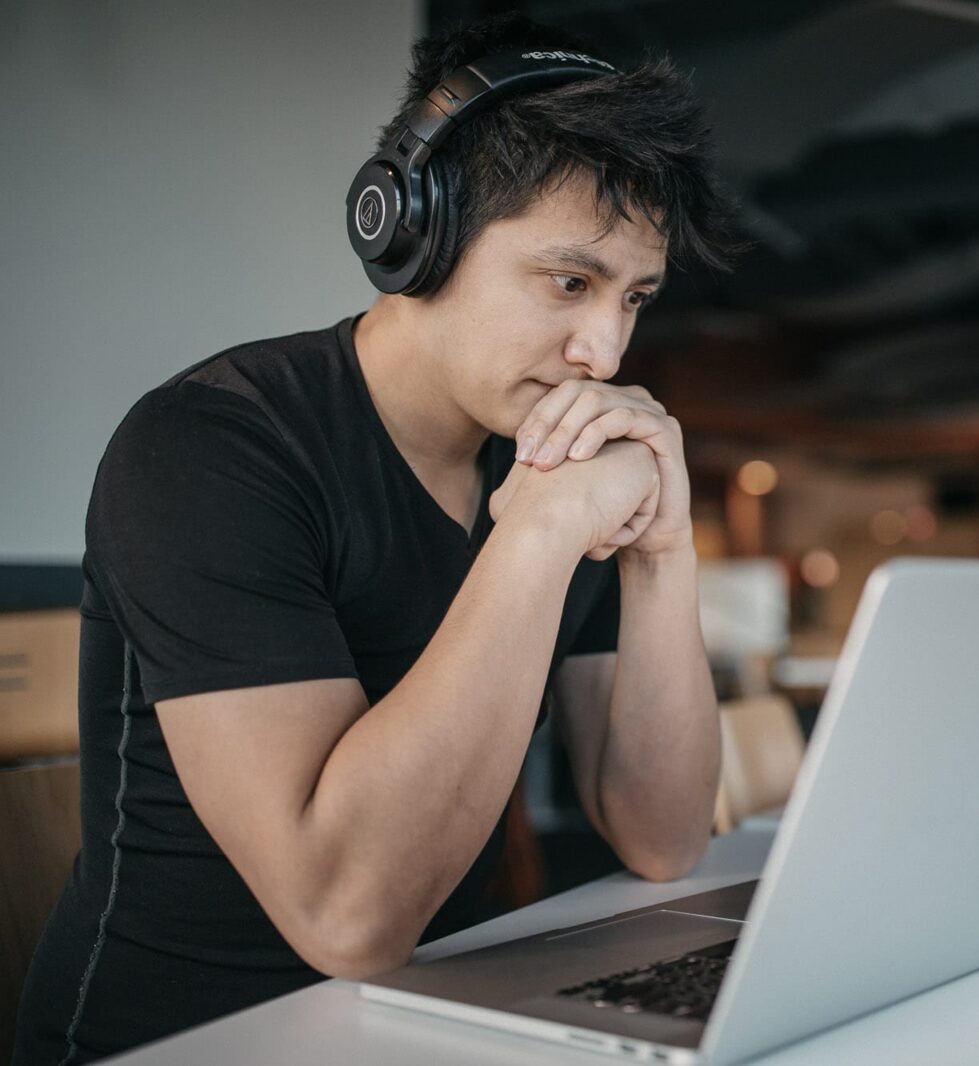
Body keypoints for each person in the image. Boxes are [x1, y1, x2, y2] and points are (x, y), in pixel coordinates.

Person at [14, 13, 740, 1064]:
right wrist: (536, 535)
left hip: (428, 1022)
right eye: (569, 282)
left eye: (635, 298)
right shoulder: (209, 448)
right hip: (185, 1038)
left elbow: (663, 837)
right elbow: (345, 918)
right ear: (415, 232)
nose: (605, 347)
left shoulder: (543, 448)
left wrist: (661, 550)